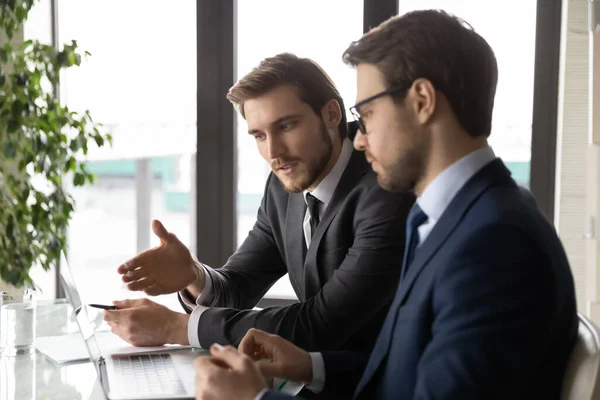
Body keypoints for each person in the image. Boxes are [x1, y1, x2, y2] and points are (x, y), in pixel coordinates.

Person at [193, 9, 578, 400]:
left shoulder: (495, 244)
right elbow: (408, 375)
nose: (358, 139)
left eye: (368, 113)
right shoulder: (446, 219)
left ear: (422, 101)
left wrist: (254, 398)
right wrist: (311, 366)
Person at [104, 53, 415, 356]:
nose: (274, 152)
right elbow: (239, 285)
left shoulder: (385, 188)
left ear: (332, 114)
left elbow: (321, 324)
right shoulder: (283, 185)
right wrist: (194, 275)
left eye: (286, 126)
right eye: (259, 136)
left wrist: (176, 328)